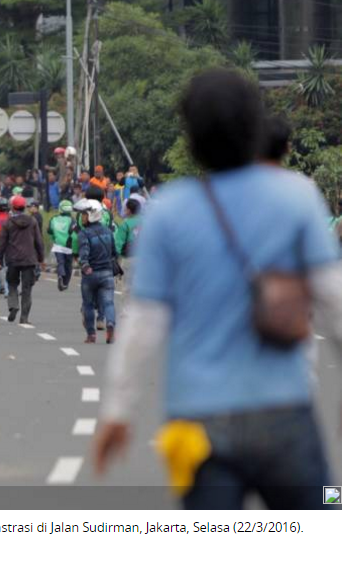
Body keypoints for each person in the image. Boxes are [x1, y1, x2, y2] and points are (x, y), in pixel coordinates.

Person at [94, 68, 342, 510]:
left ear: (192, 136)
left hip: (198, 424)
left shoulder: (168, 211)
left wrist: (117, 411)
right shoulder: (298, 196)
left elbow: (144, 323)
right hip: (285, 414)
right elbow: (337, 307)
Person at [0, 195, 45, 324]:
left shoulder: (8, 223)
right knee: (27, 289)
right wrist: (41, 258)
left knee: (12, 284)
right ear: (24, 208)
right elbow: (39, 242)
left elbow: (1, 244)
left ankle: (13, 306)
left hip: (12, 259)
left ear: (13, 207)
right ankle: (24, 317)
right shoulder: (32, 221)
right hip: (29, 259)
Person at [77, 199, 118, 344]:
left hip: (90, 274)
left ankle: (91, 335)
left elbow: (83, 254)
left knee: (87, 304)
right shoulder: (108, 231)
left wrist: (85, 266)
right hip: (107, 273)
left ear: (92, 215)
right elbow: (114, 252)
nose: (82, 218)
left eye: (84, 215)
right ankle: (111, 324)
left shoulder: (84, 233)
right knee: (109, 303)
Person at [114, 197, 143, 282]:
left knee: (127, 287)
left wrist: (115, 259)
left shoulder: (125, 224)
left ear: (129, 210)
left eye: (125, 208)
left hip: (128, 258)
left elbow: (118, 243)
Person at [48, 199, 76, 291]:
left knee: (61, 262)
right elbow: (73, 232)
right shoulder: (72, 220)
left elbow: (49, 230)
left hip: (58, 246)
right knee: (68, 265)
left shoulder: (54, 219)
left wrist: (55, 238)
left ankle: (60, 275)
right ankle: (65, 283)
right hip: (69, 246)